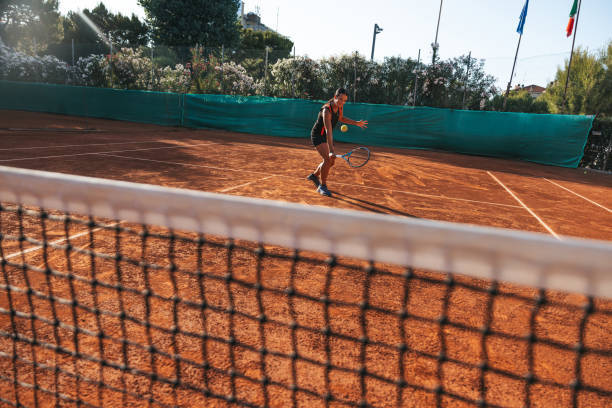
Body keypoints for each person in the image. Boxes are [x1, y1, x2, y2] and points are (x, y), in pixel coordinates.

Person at [306, 88, 368, 196]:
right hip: (317, 136)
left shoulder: (340, 107)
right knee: (328, 160)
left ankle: (314, 176)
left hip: (325, 136)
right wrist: (331, 150)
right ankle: (323, 186)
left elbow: (341, 118)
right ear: (335, 97)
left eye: (344, 100)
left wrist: (356, 123)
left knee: (331, 162)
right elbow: (328, 130)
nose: (342, 102)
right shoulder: (326, 111)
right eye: (340, 99)